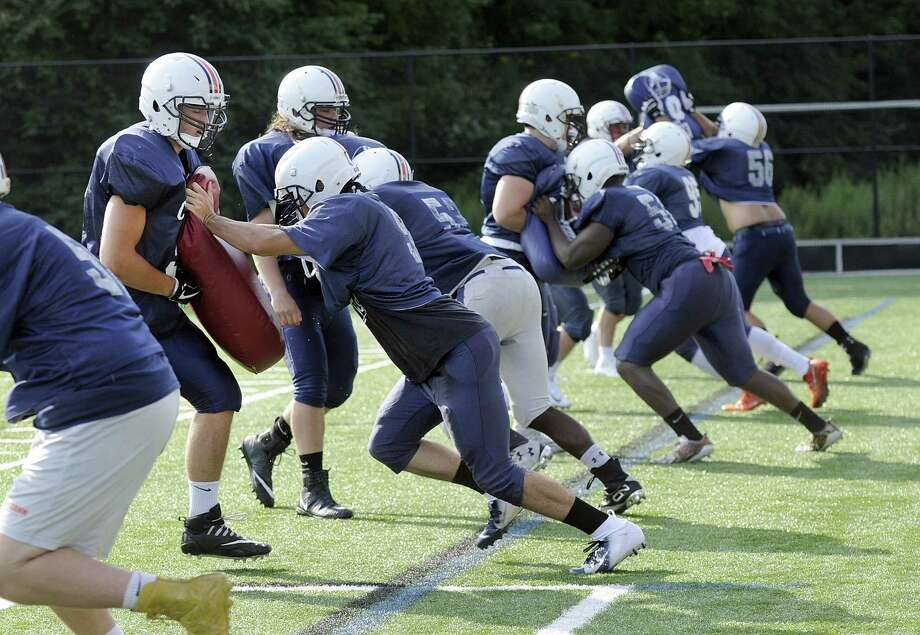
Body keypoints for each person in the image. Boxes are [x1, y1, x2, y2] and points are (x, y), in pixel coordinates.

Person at [184, 136, 647, 575]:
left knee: (499, 473)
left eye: (299, 196)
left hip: (452, 347)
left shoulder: (352, 207)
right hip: (430, 355)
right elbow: (322, 286)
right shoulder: (359, 213)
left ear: (322, 183)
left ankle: (610, 528)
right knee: (390, 443)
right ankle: (497, 481)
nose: (296, 207)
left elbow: (267, 241)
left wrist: (211, 221)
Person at [354, 147, 645, 548]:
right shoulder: (429, 194)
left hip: (476, 294)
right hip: (515, 280)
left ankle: (521, 482)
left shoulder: (379, 202)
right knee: (535, 409)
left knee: (456, 409)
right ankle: (612, 474)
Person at [0, 157, 232, 635]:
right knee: (58, 565)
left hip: (102, 398)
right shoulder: (16, 229)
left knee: (10, 568)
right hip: (125, 391)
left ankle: (186, 599)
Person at [533, 139, 843, 462]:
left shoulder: (611, 200)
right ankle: (820, 427)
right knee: (743, 373)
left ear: (589, 174)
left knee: (628, 361)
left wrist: (548, 220)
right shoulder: (639, 195)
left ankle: (691, 437)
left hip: (687, 281)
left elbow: (570, 256)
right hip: (715, 278)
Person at [82, 52, 270, 559]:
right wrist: (177, 289)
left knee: (217, 394)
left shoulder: (177, 153)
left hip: (156, 308)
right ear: (163, 104)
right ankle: (54, 530)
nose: (204, 120)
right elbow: (116, 257)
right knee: (128, 422)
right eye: (194, 109)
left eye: (209, 110)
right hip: (118, 312)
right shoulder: (135, 153)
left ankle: (203, 523)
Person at [233, 65, 384, 519]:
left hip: (325, 275)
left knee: (338, 386)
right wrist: (276, 291)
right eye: (323, 109)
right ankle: (312, 489)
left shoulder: (337, 148)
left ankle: (265, 443)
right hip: (288, 275)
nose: (333, 118)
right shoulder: (261, 153)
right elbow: (261, 232)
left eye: (336, 110)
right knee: (311, 384)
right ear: (295, 108)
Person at [625, 121, 830, 410]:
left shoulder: (655, 173)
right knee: (729, 329)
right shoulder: (677, 172)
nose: (642, 154)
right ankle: (804, 367)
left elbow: (619, 200)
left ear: (661, 150)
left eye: (647, 147)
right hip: (708, 252)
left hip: (690, 262)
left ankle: (756, 382)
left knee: (690, 339)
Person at [691, 103, 871, 380]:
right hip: (781, 231)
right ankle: (852, 344)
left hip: (754, 236)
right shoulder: (759, 148)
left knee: (735, 307)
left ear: (732, 130)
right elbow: (719, 134)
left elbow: (690, 148)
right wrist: (692, 111)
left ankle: (776, 357)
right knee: (799, 302)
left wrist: (679, 114)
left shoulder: (725, 149)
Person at [480, 78, 586, 408]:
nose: (572, 127)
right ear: (547, 116)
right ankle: (523, 430)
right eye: (568, 118)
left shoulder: (546, 152)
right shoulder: (522, 150)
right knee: (524, 349)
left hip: (524, 259)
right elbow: (507, 213)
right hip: (508, 258)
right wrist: (550, 230)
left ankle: (529, 426)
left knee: (545, 343)